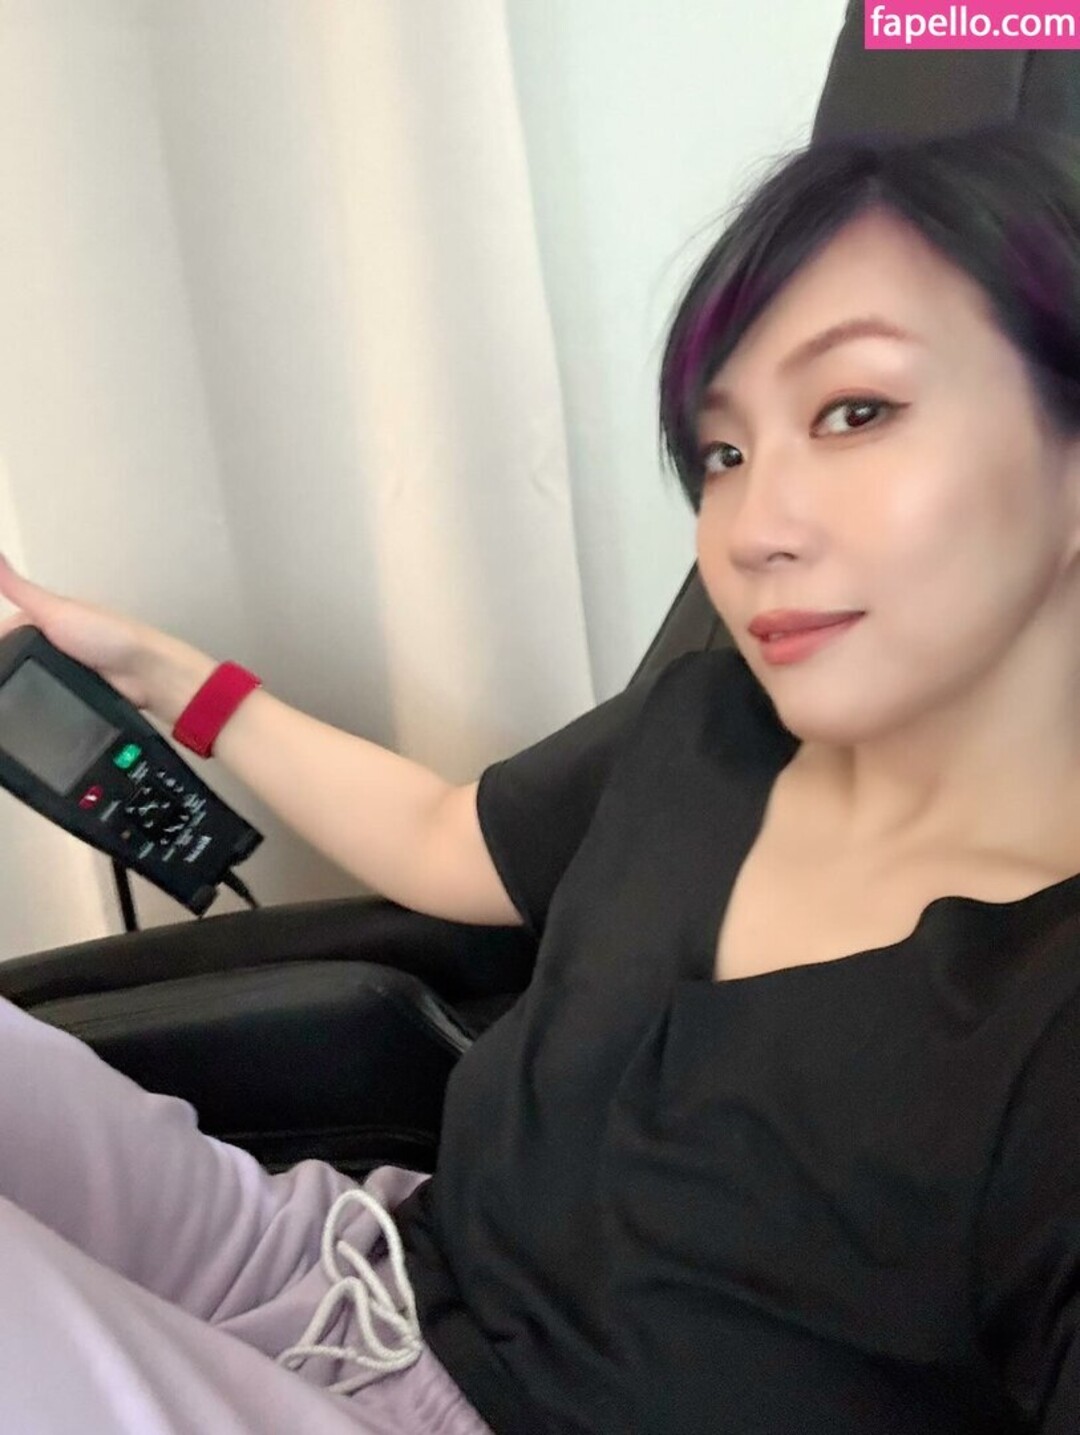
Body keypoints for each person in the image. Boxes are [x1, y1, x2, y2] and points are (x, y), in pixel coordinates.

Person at [0, 119, 1078, 1433]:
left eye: (857, 412)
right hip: (348, 1273)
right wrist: (161, 674)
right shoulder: (707, 728)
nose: (753, 529)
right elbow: (438, 834)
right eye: (725, 452)